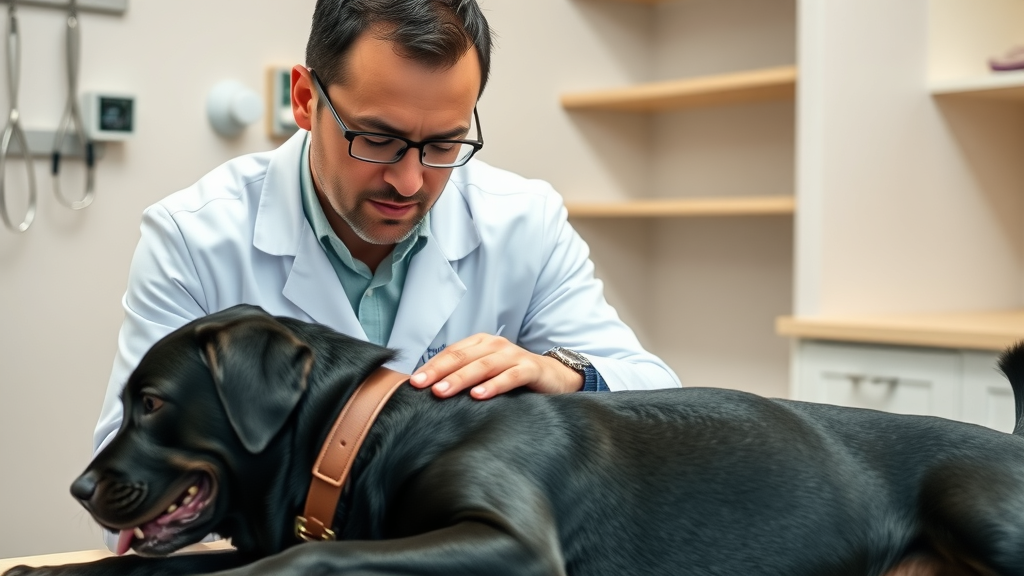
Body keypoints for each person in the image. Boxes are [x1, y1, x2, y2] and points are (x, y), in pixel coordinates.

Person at [96, 0, 679, 490]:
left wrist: (563, 374)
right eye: (377, 139)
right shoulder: (193, 238)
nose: (409, 181)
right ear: (305, 99)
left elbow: (662, 405)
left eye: (444, 144)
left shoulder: (526, 221)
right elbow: (122, 482)